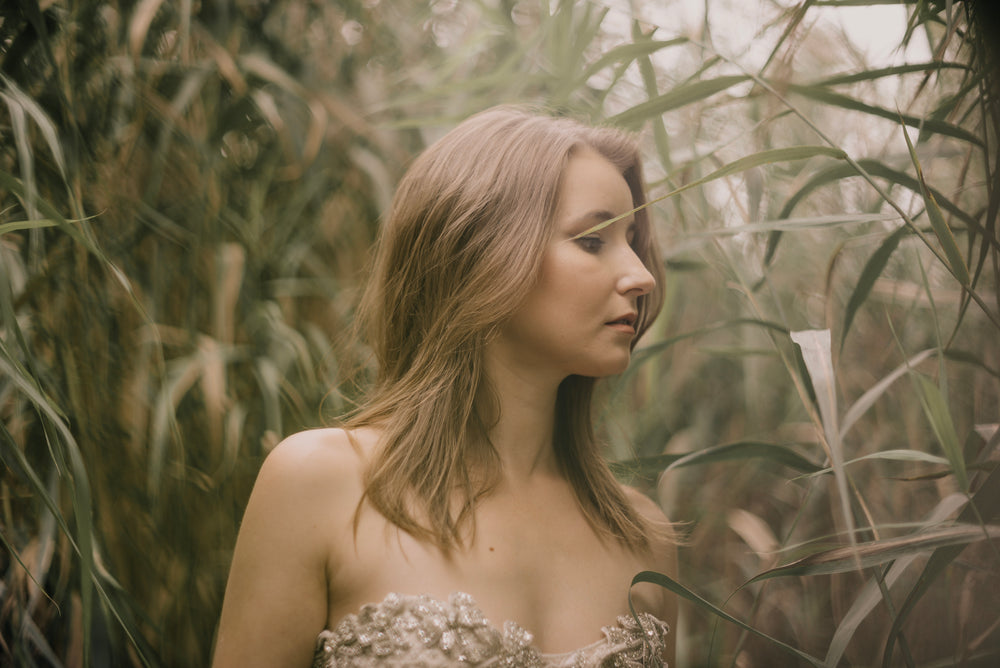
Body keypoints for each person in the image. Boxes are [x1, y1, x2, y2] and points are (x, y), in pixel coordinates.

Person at [211, 106, 678, 667]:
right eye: (594, 240)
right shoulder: (322, 484)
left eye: (632, 239)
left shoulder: (644, 536)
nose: (642, 275)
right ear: (478, 255)